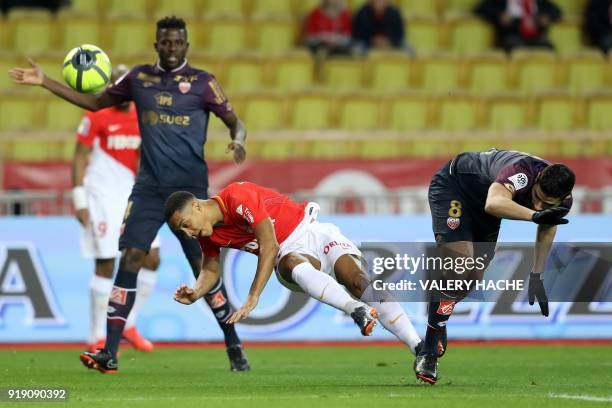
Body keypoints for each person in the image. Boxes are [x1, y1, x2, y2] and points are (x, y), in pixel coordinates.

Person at [9, 15, 250, 373]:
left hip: (190, 194)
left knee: (203, 270)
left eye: (177, 42)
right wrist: (45, 81)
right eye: (165, 42)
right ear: (156, 45)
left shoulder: (203, 83)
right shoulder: (139, 78)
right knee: (130, 259)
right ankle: (109, 351)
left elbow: (235, 121)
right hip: (149, 190)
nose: (171, 48)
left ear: (186, 45)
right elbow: (94, 103)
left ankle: (233, 345)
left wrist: (237, 140)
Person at [165, 181, 423, 362]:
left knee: (358, 282)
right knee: (288, 261)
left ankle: (420, 349)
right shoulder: (209, 236)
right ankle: (356, 310)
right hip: (289, 257)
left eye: (186, 225)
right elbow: (210, 269)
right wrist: (197, 291)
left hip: (314, 233)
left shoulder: (237, 196)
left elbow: (268, 243)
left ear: (197, 206)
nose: (188, 234)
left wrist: (254, 296)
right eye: (182, 232)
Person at [415, 148, 575, 384]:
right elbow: (494, 202)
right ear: (538, 179)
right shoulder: (522, 173)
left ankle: (438, 310)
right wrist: (533, 216)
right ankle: (428, 352)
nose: (540, 205)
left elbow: (548, 224)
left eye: (547, 204)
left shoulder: (563, 199)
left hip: (484, 211)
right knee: (460, 266)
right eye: (537, 197)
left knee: (471, 278)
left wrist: (537, 275)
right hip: (455, 187)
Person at [72, 64, 160, 354]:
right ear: (110, 85)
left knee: (152, 259)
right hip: (101, 196)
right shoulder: (95, 115)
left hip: (132, 195)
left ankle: (129, 324)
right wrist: (79, 199)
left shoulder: (142, 117)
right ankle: (96, 335)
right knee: (106, 263)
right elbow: (79, 157)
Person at [474, 0, 562, 52]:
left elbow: (557, 11)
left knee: (547, 48)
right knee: (516, 47)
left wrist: (547, 17)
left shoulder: (538, 1)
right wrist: (499, 15)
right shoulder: (502, 1)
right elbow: (480, 9)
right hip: (511, 36)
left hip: (536, 37)